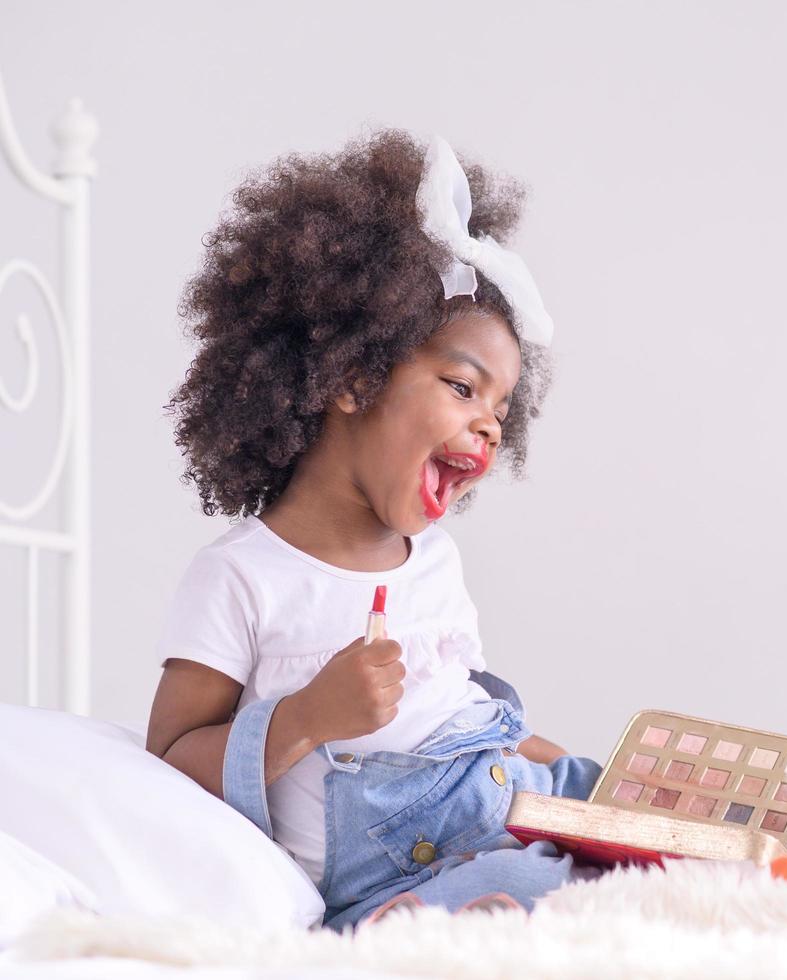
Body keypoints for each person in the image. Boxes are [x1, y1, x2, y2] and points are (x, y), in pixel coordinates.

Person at [145, 130, 603, 931]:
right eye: (463, 387)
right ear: (352, 377)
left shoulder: (434, 561)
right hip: (409, 874)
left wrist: (589, 779)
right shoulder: (243, 578)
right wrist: (303, 719)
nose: (490, 428)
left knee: (675, 828)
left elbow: (467, 720)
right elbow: (168, 758)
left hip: (502, 801)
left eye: (500, 411)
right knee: (546, 895)